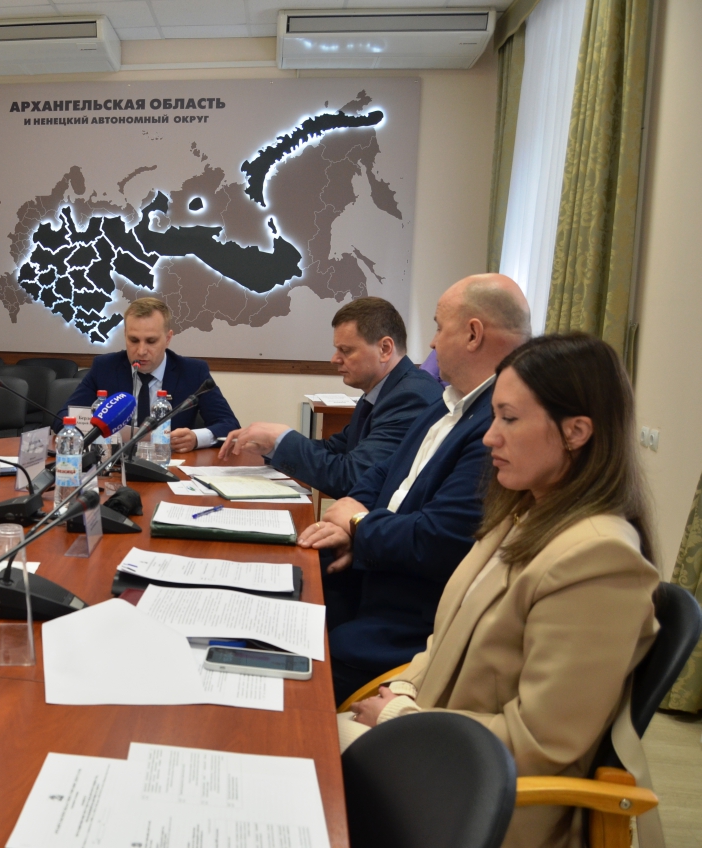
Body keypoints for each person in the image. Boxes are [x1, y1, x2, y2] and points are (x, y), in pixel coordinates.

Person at [340, 334, 662, 848]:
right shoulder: (522, 513)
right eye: (493, 417)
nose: (489, 437)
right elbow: (442, 641)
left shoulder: (600, 559)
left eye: (509, 419)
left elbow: (542, 743)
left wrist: (400, 717)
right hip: (441, 749)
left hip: (484, 799)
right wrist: (401, 693)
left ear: (576, 431)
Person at [298, 273, 532, 702]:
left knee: (286, 667)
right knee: (280, 591)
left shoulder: (496, 428)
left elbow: (436, 539)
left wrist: (357, 525)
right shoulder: (448, 401)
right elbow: (385, 472)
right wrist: (353, 512)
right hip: (372, 575)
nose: (432, 343)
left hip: (405, 620)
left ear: (473, 334)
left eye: (439, 328)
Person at [218, 297, 442, 498]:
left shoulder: (410, 397)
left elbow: (353, 479)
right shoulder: (382, 391)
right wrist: (271, 445)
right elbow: (335, 448)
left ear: (384, 348)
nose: (334, 359)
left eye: (346, 350)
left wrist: (282, 438)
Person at [56, 297, 239, 450]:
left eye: (151, 341)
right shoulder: (105, 367)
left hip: (169, 466)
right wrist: (92, 434)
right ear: (125, 335)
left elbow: (229, 425)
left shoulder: (193, 372)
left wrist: (196, 438)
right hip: (113, 465)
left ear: (168, 338)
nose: (141, 351)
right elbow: (63, 417)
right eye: (134, 340)